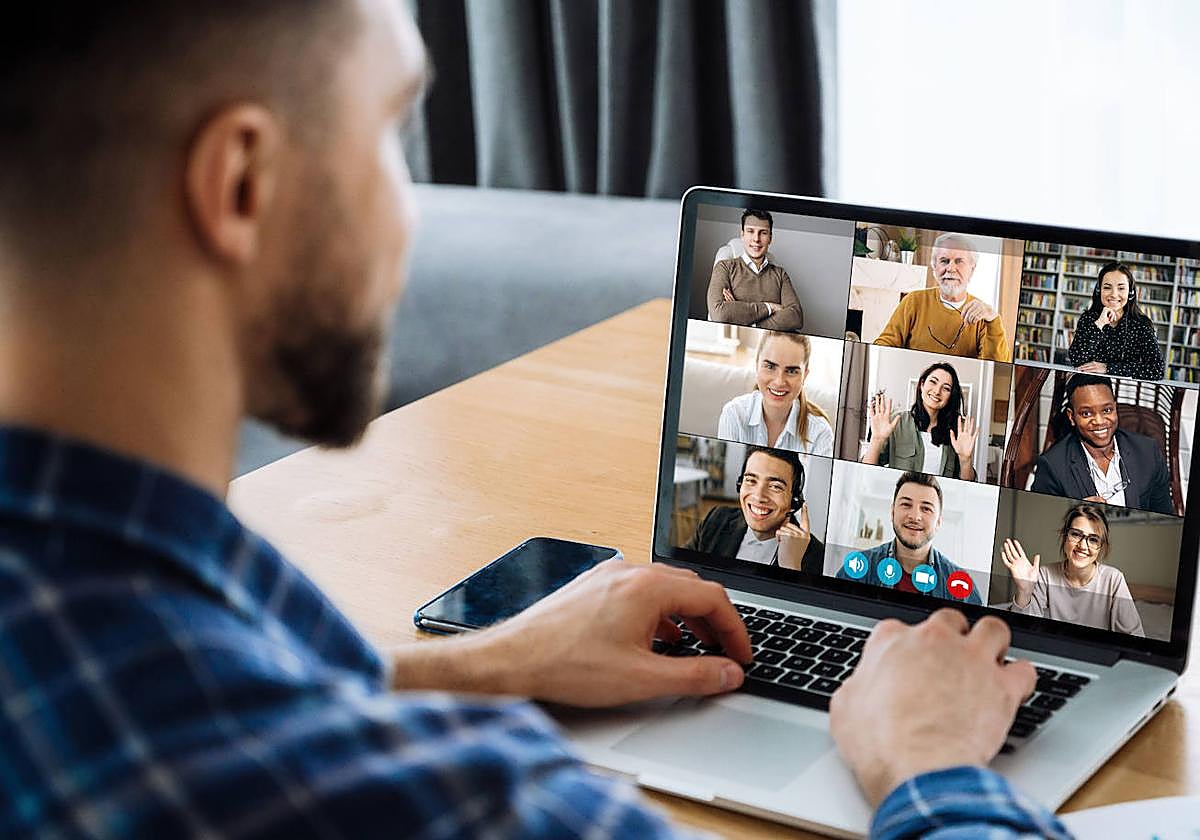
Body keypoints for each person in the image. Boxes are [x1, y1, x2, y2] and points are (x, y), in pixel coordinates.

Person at [0, 3, 1070, 837]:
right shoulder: (453, 804)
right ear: (242, 184)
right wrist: (930, 768)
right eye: (388, 131)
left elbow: (251, 674)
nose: (408, 212)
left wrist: (485, 661)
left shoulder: (99, 596)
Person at [1030, 374, 1174, 514]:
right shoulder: (1052, 466)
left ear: (1115, 408)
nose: (1099, 421)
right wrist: (1075, 512)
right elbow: (1041, 517)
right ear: (1072, 417)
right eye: (1086, 413)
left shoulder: (1148, 451)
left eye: (1107, 410)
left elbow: (1165, 515)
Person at [837, 472, 982, 604]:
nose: (915, 516)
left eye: (926, 509)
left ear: (938, 522)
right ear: (892, 512)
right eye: (906, 504)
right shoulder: (855, 570)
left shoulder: (961, 586)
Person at [1001, 504, 1145, 636]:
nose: (1082, 546)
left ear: (1101, 547)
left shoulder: (1113, 579)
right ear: (1065, 537)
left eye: (1093, 539)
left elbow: (1134, 635)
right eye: (1076, 534)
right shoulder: (1045, 575)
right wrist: (1024, 591)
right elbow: (1023, 630)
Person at [874, 233, 1012, 362]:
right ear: (934, 267)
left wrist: (993, 318)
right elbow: (884, 345)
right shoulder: (913, 301)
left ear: (972, 269)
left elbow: (996, 366)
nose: (950, 268)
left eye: (959, 261)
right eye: (944, 261)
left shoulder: (982, 316)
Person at [684, 446, 824, 573]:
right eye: (751, 480)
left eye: (775, 486)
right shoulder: (717, 518)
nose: (758, 497)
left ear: (794, 500)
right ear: (740, 485)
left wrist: (791, 568)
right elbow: (680, 571)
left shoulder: (816, 554)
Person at [717, 331, 835, 456]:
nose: (779, 382)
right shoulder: (734, 414)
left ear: (804, 376)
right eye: (770, 366)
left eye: (791, 371)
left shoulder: (820, 432)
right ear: (757, 366)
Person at [861, 361, 979, 480]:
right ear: (922, 385)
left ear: (950, 396)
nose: (937, 391)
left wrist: (965, 460)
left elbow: (967, 484)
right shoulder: (897, 423)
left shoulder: (955, 433)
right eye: (933, 382)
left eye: (946, 388)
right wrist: (877, 440)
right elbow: (866, 474)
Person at [706, 209, 804, 329]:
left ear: (770, 238)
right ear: (742, 235)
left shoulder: (780, 274)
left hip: (772, 340)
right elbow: (719, 314)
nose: (756, 239)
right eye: (750, 231)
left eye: (763, 233)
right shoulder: (724, 267)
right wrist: (770, 308)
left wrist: (744, 319)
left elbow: (796, 317)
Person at [1067, 261, 1165, 380]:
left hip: (1125, 387)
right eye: (1107, 287)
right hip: (1089, 383)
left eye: (1121, 288)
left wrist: (1108, 368)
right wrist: (1099, 324)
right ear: (1099, 290)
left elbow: (1157, 370)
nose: (1114, 294)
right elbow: (1076, 359)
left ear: (1130, 293)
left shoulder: (1141, 325)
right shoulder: (1088, 318)